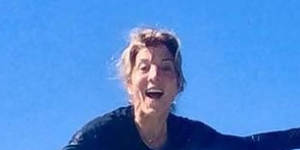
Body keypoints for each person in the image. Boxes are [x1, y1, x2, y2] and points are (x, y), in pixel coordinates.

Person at [62, 27, 300, 150]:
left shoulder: (190, 137)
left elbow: (249, 147)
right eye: (144, 68)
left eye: (166, 68)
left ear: (178, 84)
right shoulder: (100, 136)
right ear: (129, 83)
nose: (155, 75)